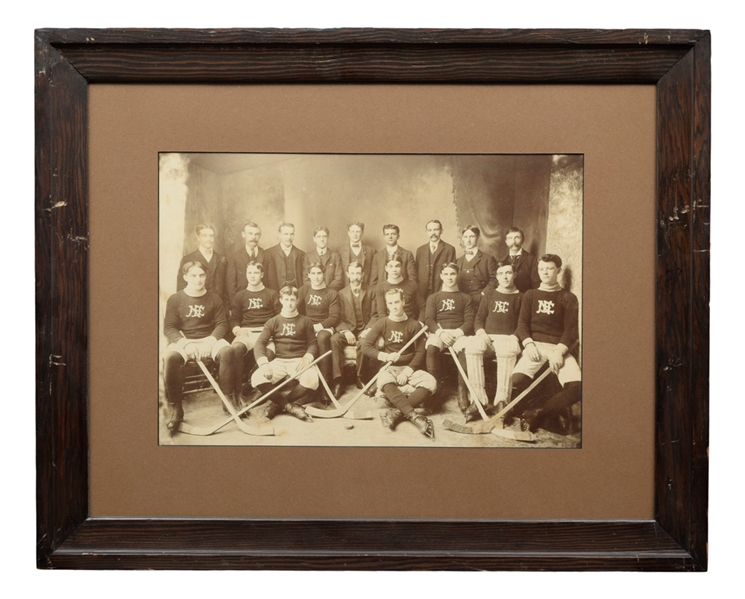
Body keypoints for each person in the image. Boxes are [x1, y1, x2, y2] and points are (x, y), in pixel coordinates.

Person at [503, 254, 581, 434]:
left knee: (578, 388)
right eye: (542, 269)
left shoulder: (568, 297)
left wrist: (560, 352)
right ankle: (542, 411)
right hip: (535, 346)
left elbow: (570, 330)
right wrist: (529, 345)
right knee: (517, 380)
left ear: (559, 270)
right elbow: (522, 325)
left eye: (550, 268)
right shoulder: (530, 295)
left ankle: (537, 412)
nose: (545, 272)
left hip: (558, 348)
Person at [163, 261, 235, 435]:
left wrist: (210, 341)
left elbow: (221, 324)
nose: (198, 279)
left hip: (209, 339)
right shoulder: (176, 299)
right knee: (170, 357)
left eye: (201, 275)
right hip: (186, 340)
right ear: (186, 277)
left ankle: (226, 400)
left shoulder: (214, 298)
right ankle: (177, 408)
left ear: (206, 276)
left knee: (227, 351)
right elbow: (170, 327)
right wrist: (185, 344)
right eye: (193, 275)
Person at [362, 288, 437, 438]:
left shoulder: (415, 325)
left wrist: (408, 371)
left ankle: (397, 412)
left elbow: (421, 352)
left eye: (397, 302)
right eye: (390, 303)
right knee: (382, 379)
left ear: (403, 301)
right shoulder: (381, 323)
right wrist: (384, 356)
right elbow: (365, 346)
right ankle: (414, 416)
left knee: (431, 382)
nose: (394, 306)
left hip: (409, 369)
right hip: (390, 368)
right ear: (387, 305)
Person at [251, 286, 319, 423]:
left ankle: (277, 405)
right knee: (257, 376)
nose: (289, 303)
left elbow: (313, 344)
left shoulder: (305, 321)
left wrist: (307, 358)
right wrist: (264, 364)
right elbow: (259, 343)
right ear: (281, 300)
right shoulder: (273, 321)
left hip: (299, 360)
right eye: (286, 299)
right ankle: (289, 407)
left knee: (311, 378)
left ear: (297, 301)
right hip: (280, 361)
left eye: (292, 300)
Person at [464, 260, 523, 415]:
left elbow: (523, 324)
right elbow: (479, 319)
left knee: (506, 350)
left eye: (508, 273)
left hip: (509, 339)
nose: (505, 277)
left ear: (515, 274)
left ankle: (502, 402)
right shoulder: (490, 294)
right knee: (472, 348)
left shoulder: (522, 297)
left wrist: (514, 337)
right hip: (488, 338)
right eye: (501, 273)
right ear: (496, 276)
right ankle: (478, 401)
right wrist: (482, 334)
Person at [423, 263, 475, 416]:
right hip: (440, 333)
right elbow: (429, 320)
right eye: (445, 274)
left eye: (452, 274)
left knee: (465, 349)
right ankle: (434, 390)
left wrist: (458, 332)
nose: (449, 277)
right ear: (441, 276)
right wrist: (441, 333)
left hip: (458, 334)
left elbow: (470, 320)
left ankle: (462, 392)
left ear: (457, 275)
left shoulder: (466, 298)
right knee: (431, 347)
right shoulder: (433, 297)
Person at [228, 261, 281, 399]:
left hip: (266, 332)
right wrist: (237, 329)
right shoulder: (240, 296)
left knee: (268, 354)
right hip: (247, 332)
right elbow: (234, 318)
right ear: (246, 274)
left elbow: (279, 316)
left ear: (262, 274)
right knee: (236, 349)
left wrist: (272, 331)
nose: (252, 276)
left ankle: (256, 385)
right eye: (249, 272)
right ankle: (238, 391)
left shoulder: (271, 293)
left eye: (256, 272)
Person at [329, 260, 376, 397]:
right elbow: (337, 317)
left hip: (365, 329)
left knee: (364, 342)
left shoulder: (371, 291)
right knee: (334, 339)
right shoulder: (341, 293)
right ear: (348, 274)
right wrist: (346, 331)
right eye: (353, 273)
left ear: (363, 274)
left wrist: (369, 329)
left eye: (358, 273)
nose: (355, 277)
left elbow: (376, 314)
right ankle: (338, 380)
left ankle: (360, 377)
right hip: (348, 329)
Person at [297, 261, 341, 399]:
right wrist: (306, 327)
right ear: (308, 275)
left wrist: (318, 326)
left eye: (319, 273)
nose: (316, 277)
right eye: (313, 273)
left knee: (322, 337)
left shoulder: (332, 293)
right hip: (308, 327)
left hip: (326, 327)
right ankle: (307, 385)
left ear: (324, 274)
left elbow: (334, 316)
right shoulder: (304, 290)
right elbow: (297, 311)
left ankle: (325, 386)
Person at [176, 224, 227, 303]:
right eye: (204, 236)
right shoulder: (188, 259)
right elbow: (181, 287)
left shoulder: (222, 259)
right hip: (195, 305)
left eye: (211, 236)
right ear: (198, 238)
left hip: (217, 306)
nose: (208, 239)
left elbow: (226, 287)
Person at [372, 253, 424, 322]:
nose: (394, 270)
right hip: (390, 325)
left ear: (402, 267)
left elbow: (423, 307)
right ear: (386, 268)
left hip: (410, 324)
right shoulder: (380, 287)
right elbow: (382, 313)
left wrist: (420, 323)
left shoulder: (412, 285)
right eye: (391, 266)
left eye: (397, 266)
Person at [415, 219, 457, 303]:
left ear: (441, 231)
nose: (433, 233)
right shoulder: (420, 250)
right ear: (426, 232)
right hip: (422, 291)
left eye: (436, 230)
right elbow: (416, 271)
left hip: (440, 289)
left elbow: (451, 272)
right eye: (430, 230)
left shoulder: (449, 249)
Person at [226, 222, 267, 305]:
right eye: (250, 233)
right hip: (242, 301)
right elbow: (231, 283)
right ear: (243, 234)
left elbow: (271, 281)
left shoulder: (266, 254)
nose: (253, 237)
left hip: (263, 300)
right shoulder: (234, 256)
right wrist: (234, 304)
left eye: (256, 234)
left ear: (260, 236)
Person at [455, 225, 497, 303]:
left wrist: (483, 294)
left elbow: (494, 280)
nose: (468, 240)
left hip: (481, 301)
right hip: (462, 301)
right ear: (462, 238)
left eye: (471, 236)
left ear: (478, 237)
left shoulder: (488, 259)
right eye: (466, 237)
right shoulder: (458, 261)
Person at [264, 222, 305, 291]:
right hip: (276, 292)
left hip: (296, 292)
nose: (289, 237)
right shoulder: (268, 253)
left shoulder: (301, 254)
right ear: (279, 235)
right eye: (286, 234)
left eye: (291, 234)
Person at [302, 226, 344, 291]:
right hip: (313, 294)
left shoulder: (335, 256)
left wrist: (327, 292)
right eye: (318, 237)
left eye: (324, 236)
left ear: (328, 238)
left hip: (331, 293)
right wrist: (315, 292)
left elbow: (338, 279)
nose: (322, 239)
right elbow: (306, 279)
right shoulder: (308, 256)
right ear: (314, 239)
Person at [500, 226, 540, 293]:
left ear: (523, 240)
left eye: (517, 238)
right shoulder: (501, 261)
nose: (513, 241)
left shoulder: (532, 260)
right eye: (510, 238)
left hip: (525, 297)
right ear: (506, 241)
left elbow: (536, 284)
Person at [338, 221, 374, 288]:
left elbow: (374, 274)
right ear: (348, 233)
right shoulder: (340, 251)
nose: (355, 234)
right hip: (345, 290)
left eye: (358, 231)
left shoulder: (371, 251)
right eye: (352, 231)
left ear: (362, 233)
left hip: (366, 289)